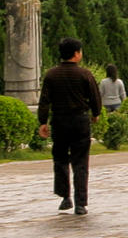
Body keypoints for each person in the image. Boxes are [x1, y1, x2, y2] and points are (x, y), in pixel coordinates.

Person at [37, 36, 103, 215]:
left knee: (60, 158)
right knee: (80, 161)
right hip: (80, 120)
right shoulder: (84, 74)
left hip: (59, 121)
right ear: (76, 54)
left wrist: (42, 122)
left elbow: (44, 101)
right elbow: (95, 96)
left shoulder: (51, 74)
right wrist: (96, 113)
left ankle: (65, 197)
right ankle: (81, 203)